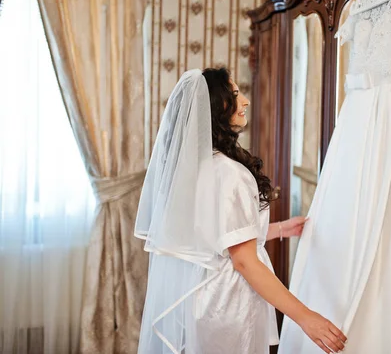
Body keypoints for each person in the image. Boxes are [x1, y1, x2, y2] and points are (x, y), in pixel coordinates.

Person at [134, 68, 346, 354]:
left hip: (205, 300)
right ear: (215, 107)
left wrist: (281, 229)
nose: (245, 101)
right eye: (234, 95)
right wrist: (306, 318)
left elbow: (218, 237)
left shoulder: (198, 168)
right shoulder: (230, 173)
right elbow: (244, 260)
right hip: (228, 303)